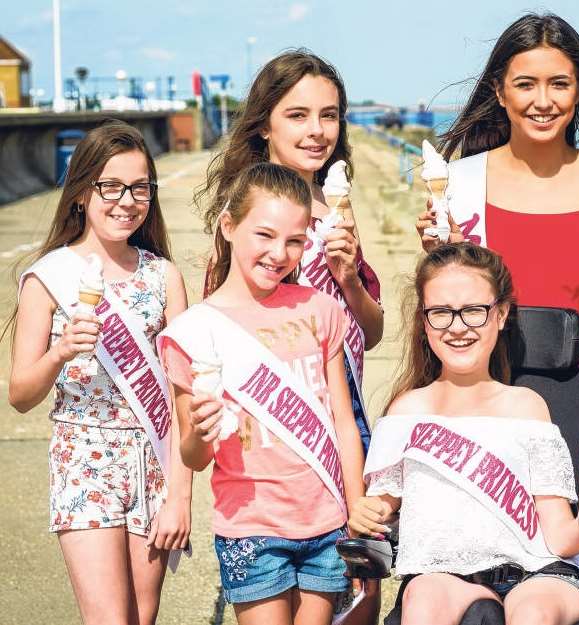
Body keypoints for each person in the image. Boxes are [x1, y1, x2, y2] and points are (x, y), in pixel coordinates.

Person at [414, 12, 579, 521]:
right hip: (490, 395)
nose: (542, 101)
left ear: (578, 91)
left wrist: (548, 337)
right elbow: (446, 312)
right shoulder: (458, 186)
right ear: (500, 93)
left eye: (559, 84)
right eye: (525, 84)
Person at [348, 243, 579, 625]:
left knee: (531, 614)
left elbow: (560, 538)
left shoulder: (526, 406)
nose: (458, 326)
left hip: (537, 576)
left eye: (474, 311)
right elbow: (381, 507)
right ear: (424, 320)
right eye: (442, 313)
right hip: (444, 576)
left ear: (500, 314)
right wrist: (368, 512)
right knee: (422, 604)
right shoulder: (405, 411)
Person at [159, 162, 366, 625]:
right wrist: (199, 429)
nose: (279, 253)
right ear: (229, 226)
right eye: (264, 235)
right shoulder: (192, 333)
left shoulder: (322, 310)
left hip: (327, 523)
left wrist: (355, 517)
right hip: (251, 528)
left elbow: (343, 424)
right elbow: (192, 455)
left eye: (295, 241)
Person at [7, 120, 192, 625]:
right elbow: (20, 395)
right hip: (83, 457)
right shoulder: (48, 277)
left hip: (151, 461)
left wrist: (180, 496)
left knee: (142, 615)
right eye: (111, 186)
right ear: (82, 193)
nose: (125, 201)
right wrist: (59, 352)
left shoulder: (163, 275)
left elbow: (183, 398)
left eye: (139, 188)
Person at [197, 49, 382, 456]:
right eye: (298, 115)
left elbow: (371, 334)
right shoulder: (247, 213)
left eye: (329, 115)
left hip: (345, 408)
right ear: (264, 124)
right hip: (279, 411)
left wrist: (349, 278)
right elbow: (220, 328)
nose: (316, 130)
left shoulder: (337, 207)